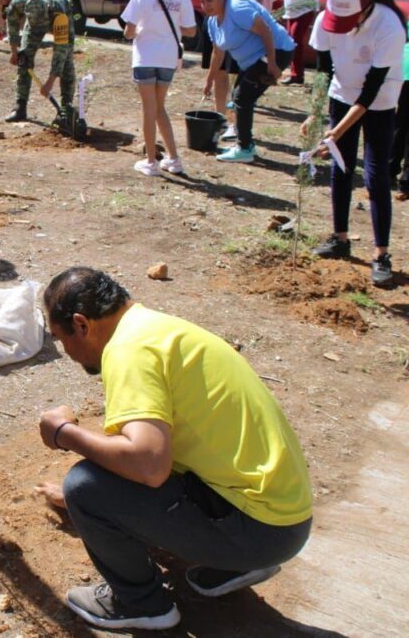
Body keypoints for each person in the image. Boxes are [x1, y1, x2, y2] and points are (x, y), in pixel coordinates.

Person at [36, 267, 312, 630]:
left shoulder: (128, 351)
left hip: (260, 530)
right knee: (105, 480)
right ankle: (233, 563)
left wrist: (64, 434)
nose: (67, 352)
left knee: (84, 487)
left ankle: (141, 605)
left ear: (81, 324)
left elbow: (149, 464)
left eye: (61, 338)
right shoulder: (156, 328)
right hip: (284, 515)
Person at [308, 0, 405, 287]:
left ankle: (381, 255)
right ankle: (340, 238)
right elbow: (323, 71)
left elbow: (371, 91)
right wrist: (316, 112)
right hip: (341, 94)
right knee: (341, 167)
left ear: (365, 7)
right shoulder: (328, 17)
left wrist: (336, 131)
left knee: (375, 176)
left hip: (378, 102)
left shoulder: (389, 25)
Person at [199, 0, 294, 163]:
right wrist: (209, 80)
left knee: (242, 98)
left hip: (276, 51)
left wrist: (273, 64)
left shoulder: (236, 8)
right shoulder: (213, 22)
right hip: (253, 61)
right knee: (238, 99)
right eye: (202, 1)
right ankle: (243, 144)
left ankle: (245, 148)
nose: (205, 5)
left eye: (209, 0)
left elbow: (266, 32)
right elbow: (218, 53)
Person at [120, 0, 196, 176]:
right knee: (159, 107)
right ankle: (173, 158)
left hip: (145, 57)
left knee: (149, 109)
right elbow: (190, 30)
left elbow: (128, 32)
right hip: (168, 58)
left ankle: (151, 160)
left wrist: (145, 30)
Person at [0, 0, 81, 137]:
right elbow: (12, 23)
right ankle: (20, 107)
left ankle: (65, 110)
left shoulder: (60, 15)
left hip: (61, 10)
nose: (41, 30)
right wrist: (14, 51)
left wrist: (49, 82)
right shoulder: (17, 3)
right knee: (25, 57)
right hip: (37, 15)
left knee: (67, 62)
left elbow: (60, 53)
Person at [204, 0, 270, 138]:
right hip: (220, 15)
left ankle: (237, 124)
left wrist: (252, 13)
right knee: (219, 69)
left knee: (242, 74)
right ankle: (220, 119)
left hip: (241, 19)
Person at [272, 0, 322, 85]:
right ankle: (294, 72)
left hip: (305, 8)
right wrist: (268, 0)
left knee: (295, 40)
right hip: (290, 9)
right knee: (290, 41)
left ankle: (297, 74)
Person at [390, 28, 409, 202]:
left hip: (404, 71)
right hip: (405, 71)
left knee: (400, 125)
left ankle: (395, 176)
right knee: (400, 126)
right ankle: (400, 180)